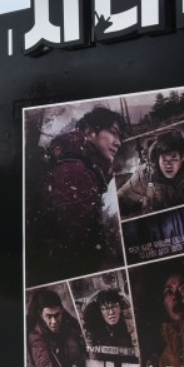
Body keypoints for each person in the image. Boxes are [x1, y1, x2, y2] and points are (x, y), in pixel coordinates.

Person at [27, 107, 127, 285]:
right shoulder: (74, 172)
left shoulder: (82, 166)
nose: (118, 142)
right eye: (113, 132)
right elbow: (75, 251)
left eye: (120, 137)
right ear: (89, 132)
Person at [118, 129, 184, 217]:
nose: (169, 165)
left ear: (182, 157)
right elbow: (121, 199)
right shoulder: (144, 175)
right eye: (164, 159)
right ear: (157, 159)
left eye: (174, 158)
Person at [27, 290, 86, 367]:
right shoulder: (36, 337)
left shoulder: (70, 322)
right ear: (41, 314)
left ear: (61, 310)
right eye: (49, 316)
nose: (54, 321)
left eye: (57, 315)